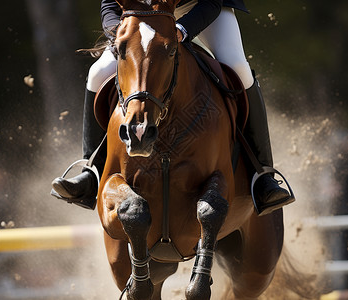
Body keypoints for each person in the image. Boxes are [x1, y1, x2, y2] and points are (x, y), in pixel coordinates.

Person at [51, 0, 295, 215]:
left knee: (238, 67)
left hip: (200, 8)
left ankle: (262, 177)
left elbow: (211, 2)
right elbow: (109, 4)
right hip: (139, 16)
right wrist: (120, 33)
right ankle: (90, 173)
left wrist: (181, 29)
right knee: (97, 73)